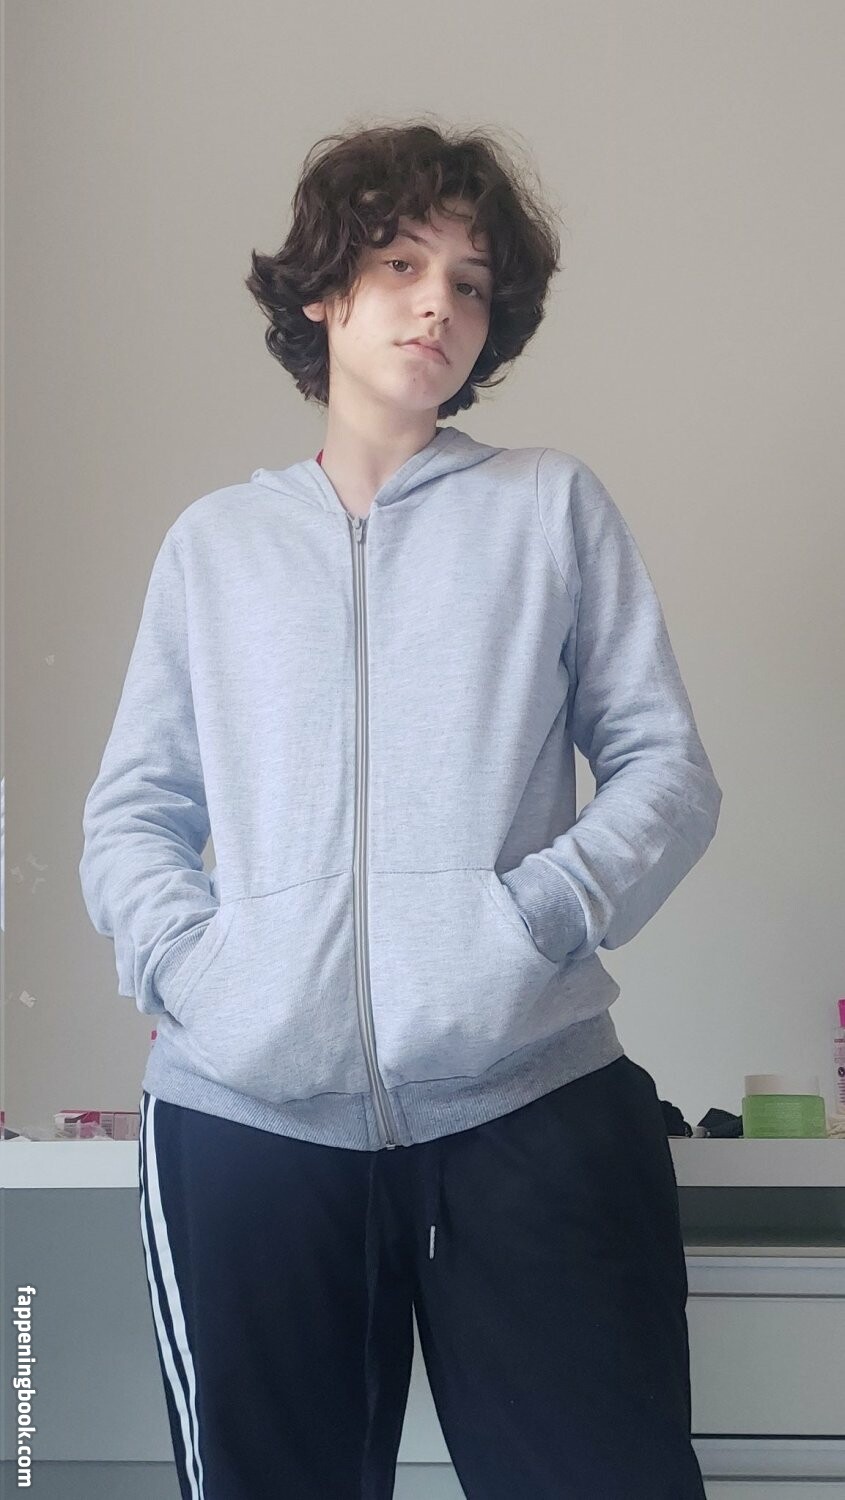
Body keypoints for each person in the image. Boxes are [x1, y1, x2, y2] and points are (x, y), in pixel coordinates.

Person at [79, 119, 722, 1499]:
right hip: (248, 1126)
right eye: (399, 265)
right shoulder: (216, 548)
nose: (439, 304)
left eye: (471, 284)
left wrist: (531, 918)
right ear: (324, 290)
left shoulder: (548, 509)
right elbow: (133, 811)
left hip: (528, 1106)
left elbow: (666, 771)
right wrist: (198, 967)